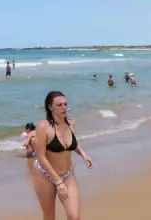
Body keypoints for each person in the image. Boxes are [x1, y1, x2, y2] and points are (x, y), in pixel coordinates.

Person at [33, 91, 93, 220]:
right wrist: (58, 181)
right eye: (59, 105)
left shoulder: (70, 123)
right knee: (49, 216)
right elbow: (41, 156)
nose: (64, 107)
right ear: (50, 107)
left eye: (65, 104)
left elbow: (69, 144)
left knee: (74, 216)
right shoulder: (43, 127)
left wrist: (83, 154)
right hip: (45, 175)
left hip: (67, 174)